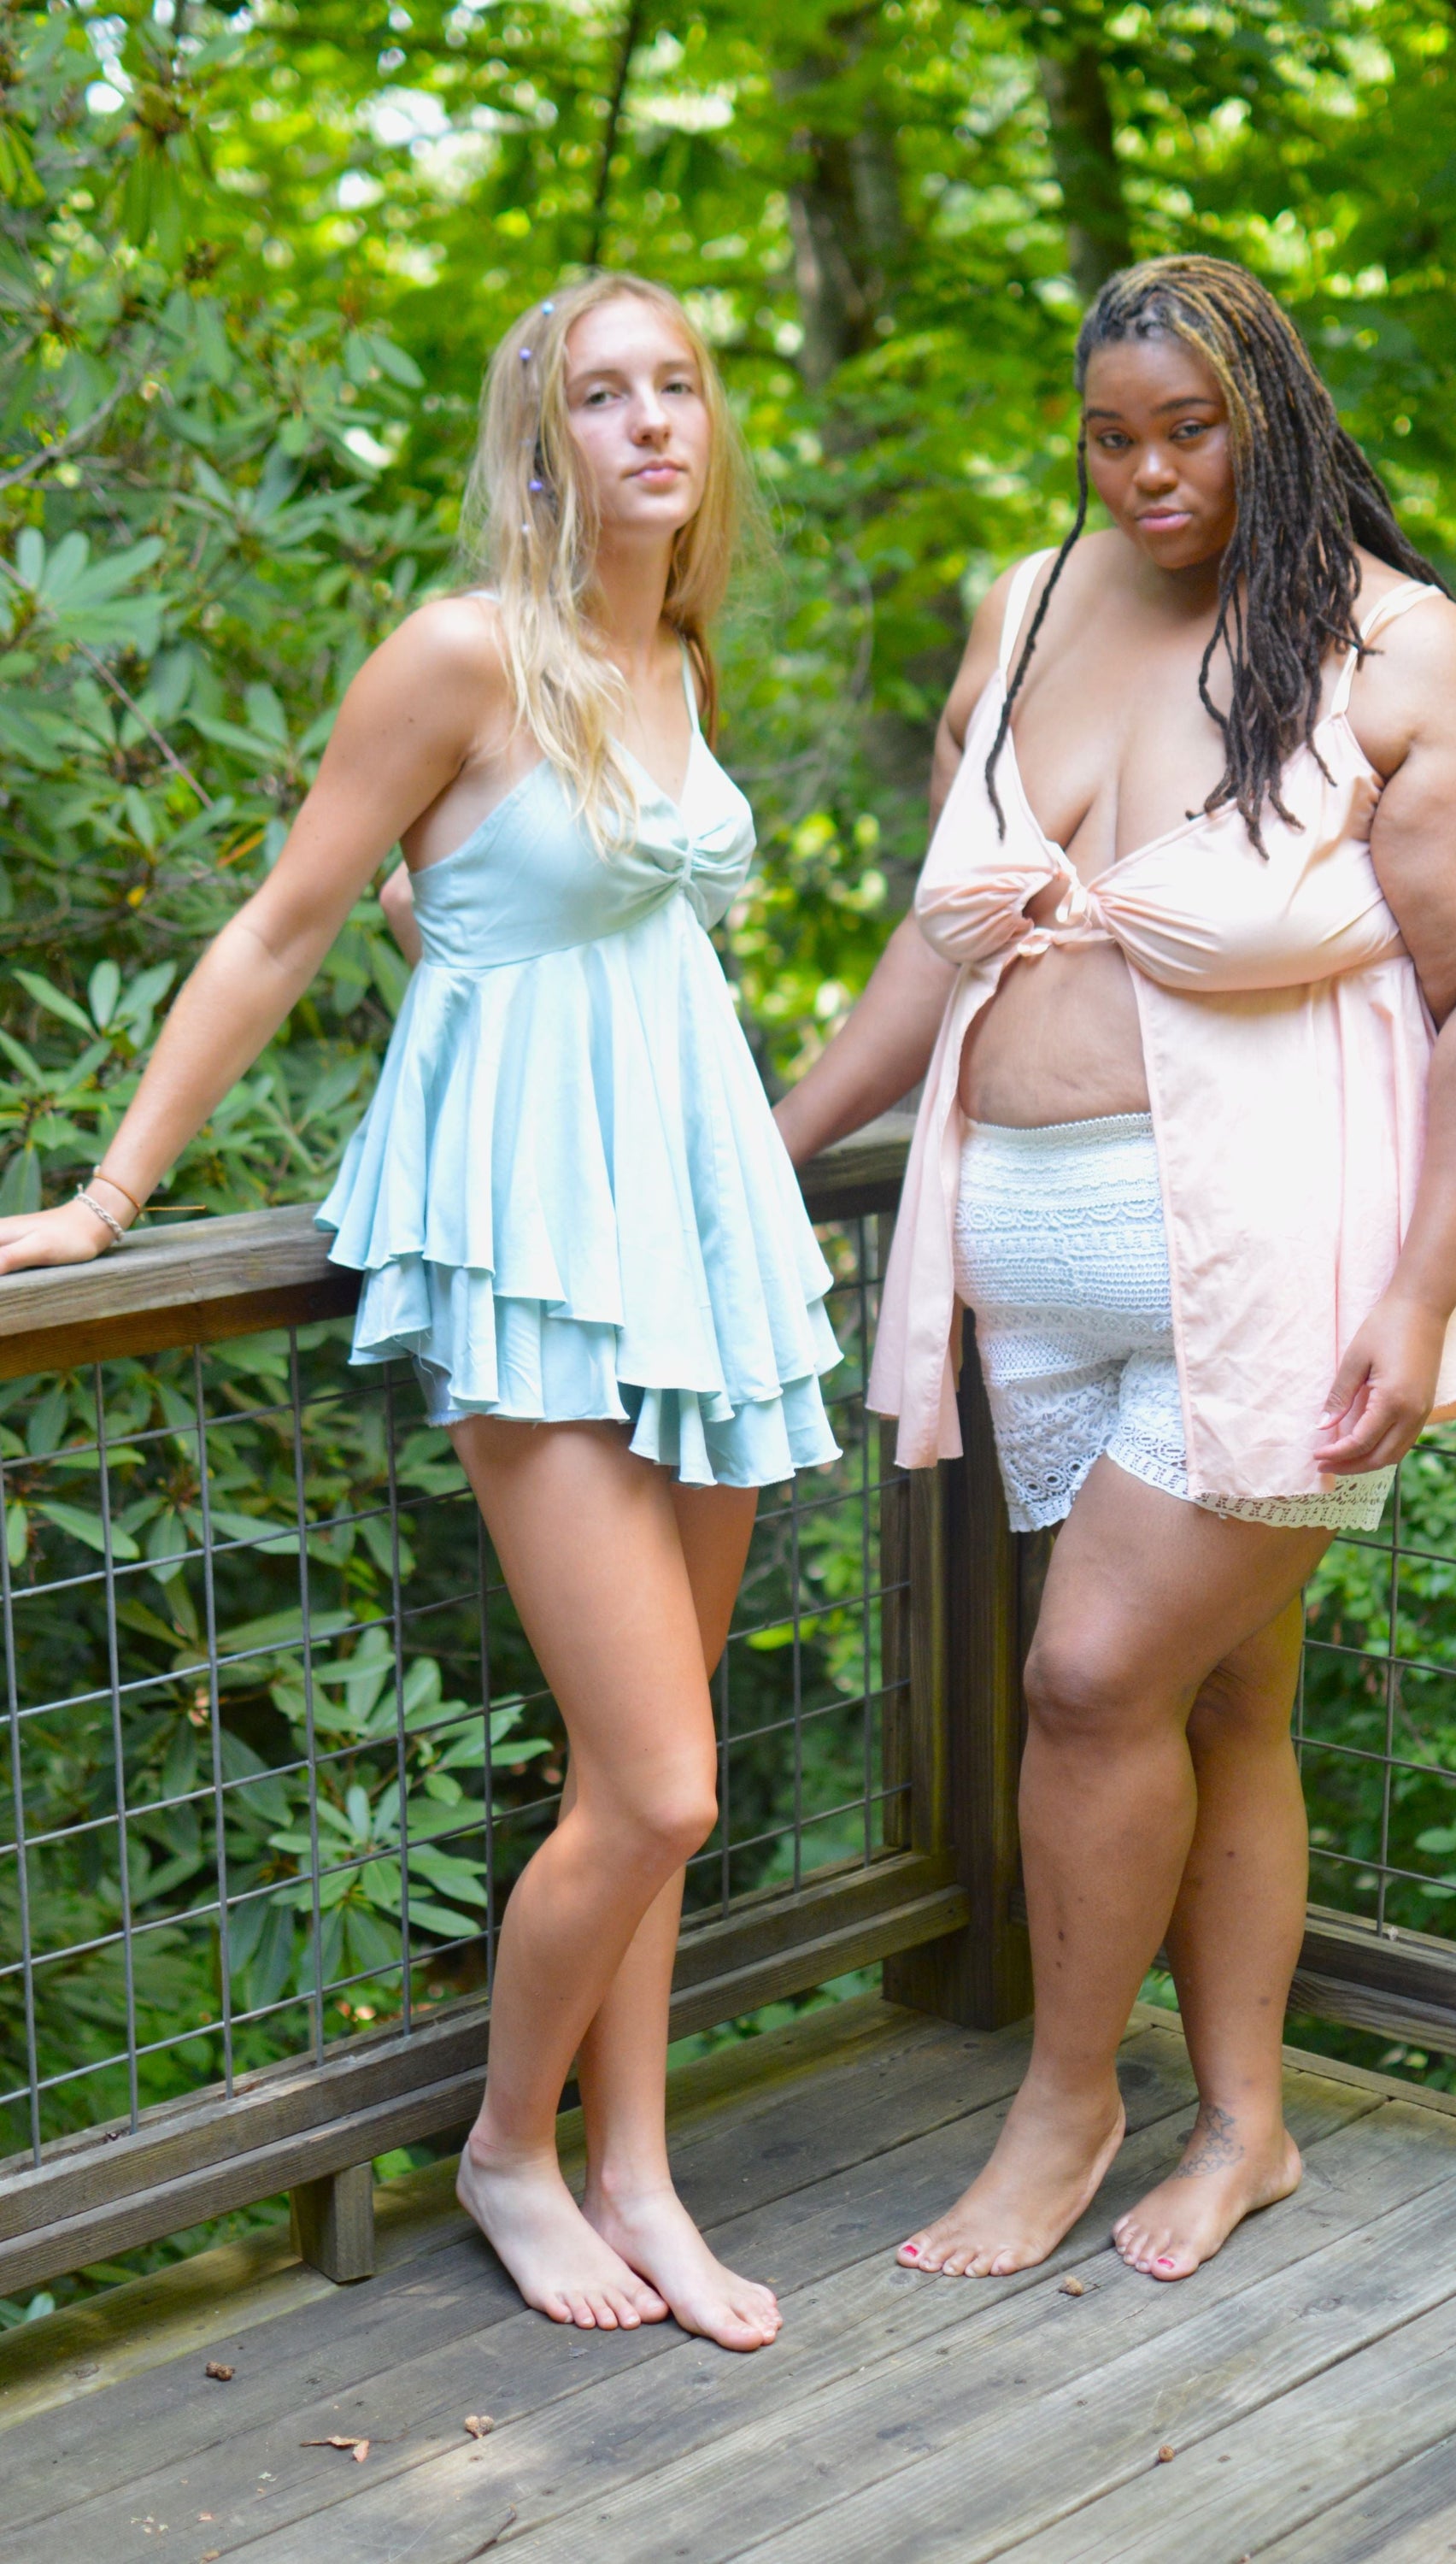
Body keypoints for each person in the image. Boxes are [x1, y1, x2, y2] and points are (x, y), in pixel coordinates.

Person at [0, 272, 845, 2349]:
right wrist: (109, 1194)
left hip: (699, 1246)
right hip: (532, 1255)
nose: (654, 422)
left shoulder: (675, 658)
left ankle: (639, 2170)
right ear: (539, 437)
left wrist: (449, 917)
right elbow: (293, 919)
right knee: (661, 1787)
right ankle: (506, 2148)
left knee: (634, 1763)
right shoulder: (468, 651)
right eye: (604, 393)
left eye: (681, 388)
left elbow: (548, 914)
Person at [774, 255, 1456, 2285]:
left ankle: (1065, 2110)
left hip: (1285, 1269)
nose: (1146, 472)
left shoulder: (1403, 655)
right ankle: (1248, 2127)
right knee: (1222, 1696)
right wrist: (765, 1152)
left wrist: (1413, 1300)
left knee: (1080, 1680)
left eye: (1189, 430)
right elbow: (936, 943)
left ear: (1274, 418)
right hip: (1037, 1275)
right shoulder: (1031, 605)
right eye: (1110, 435)